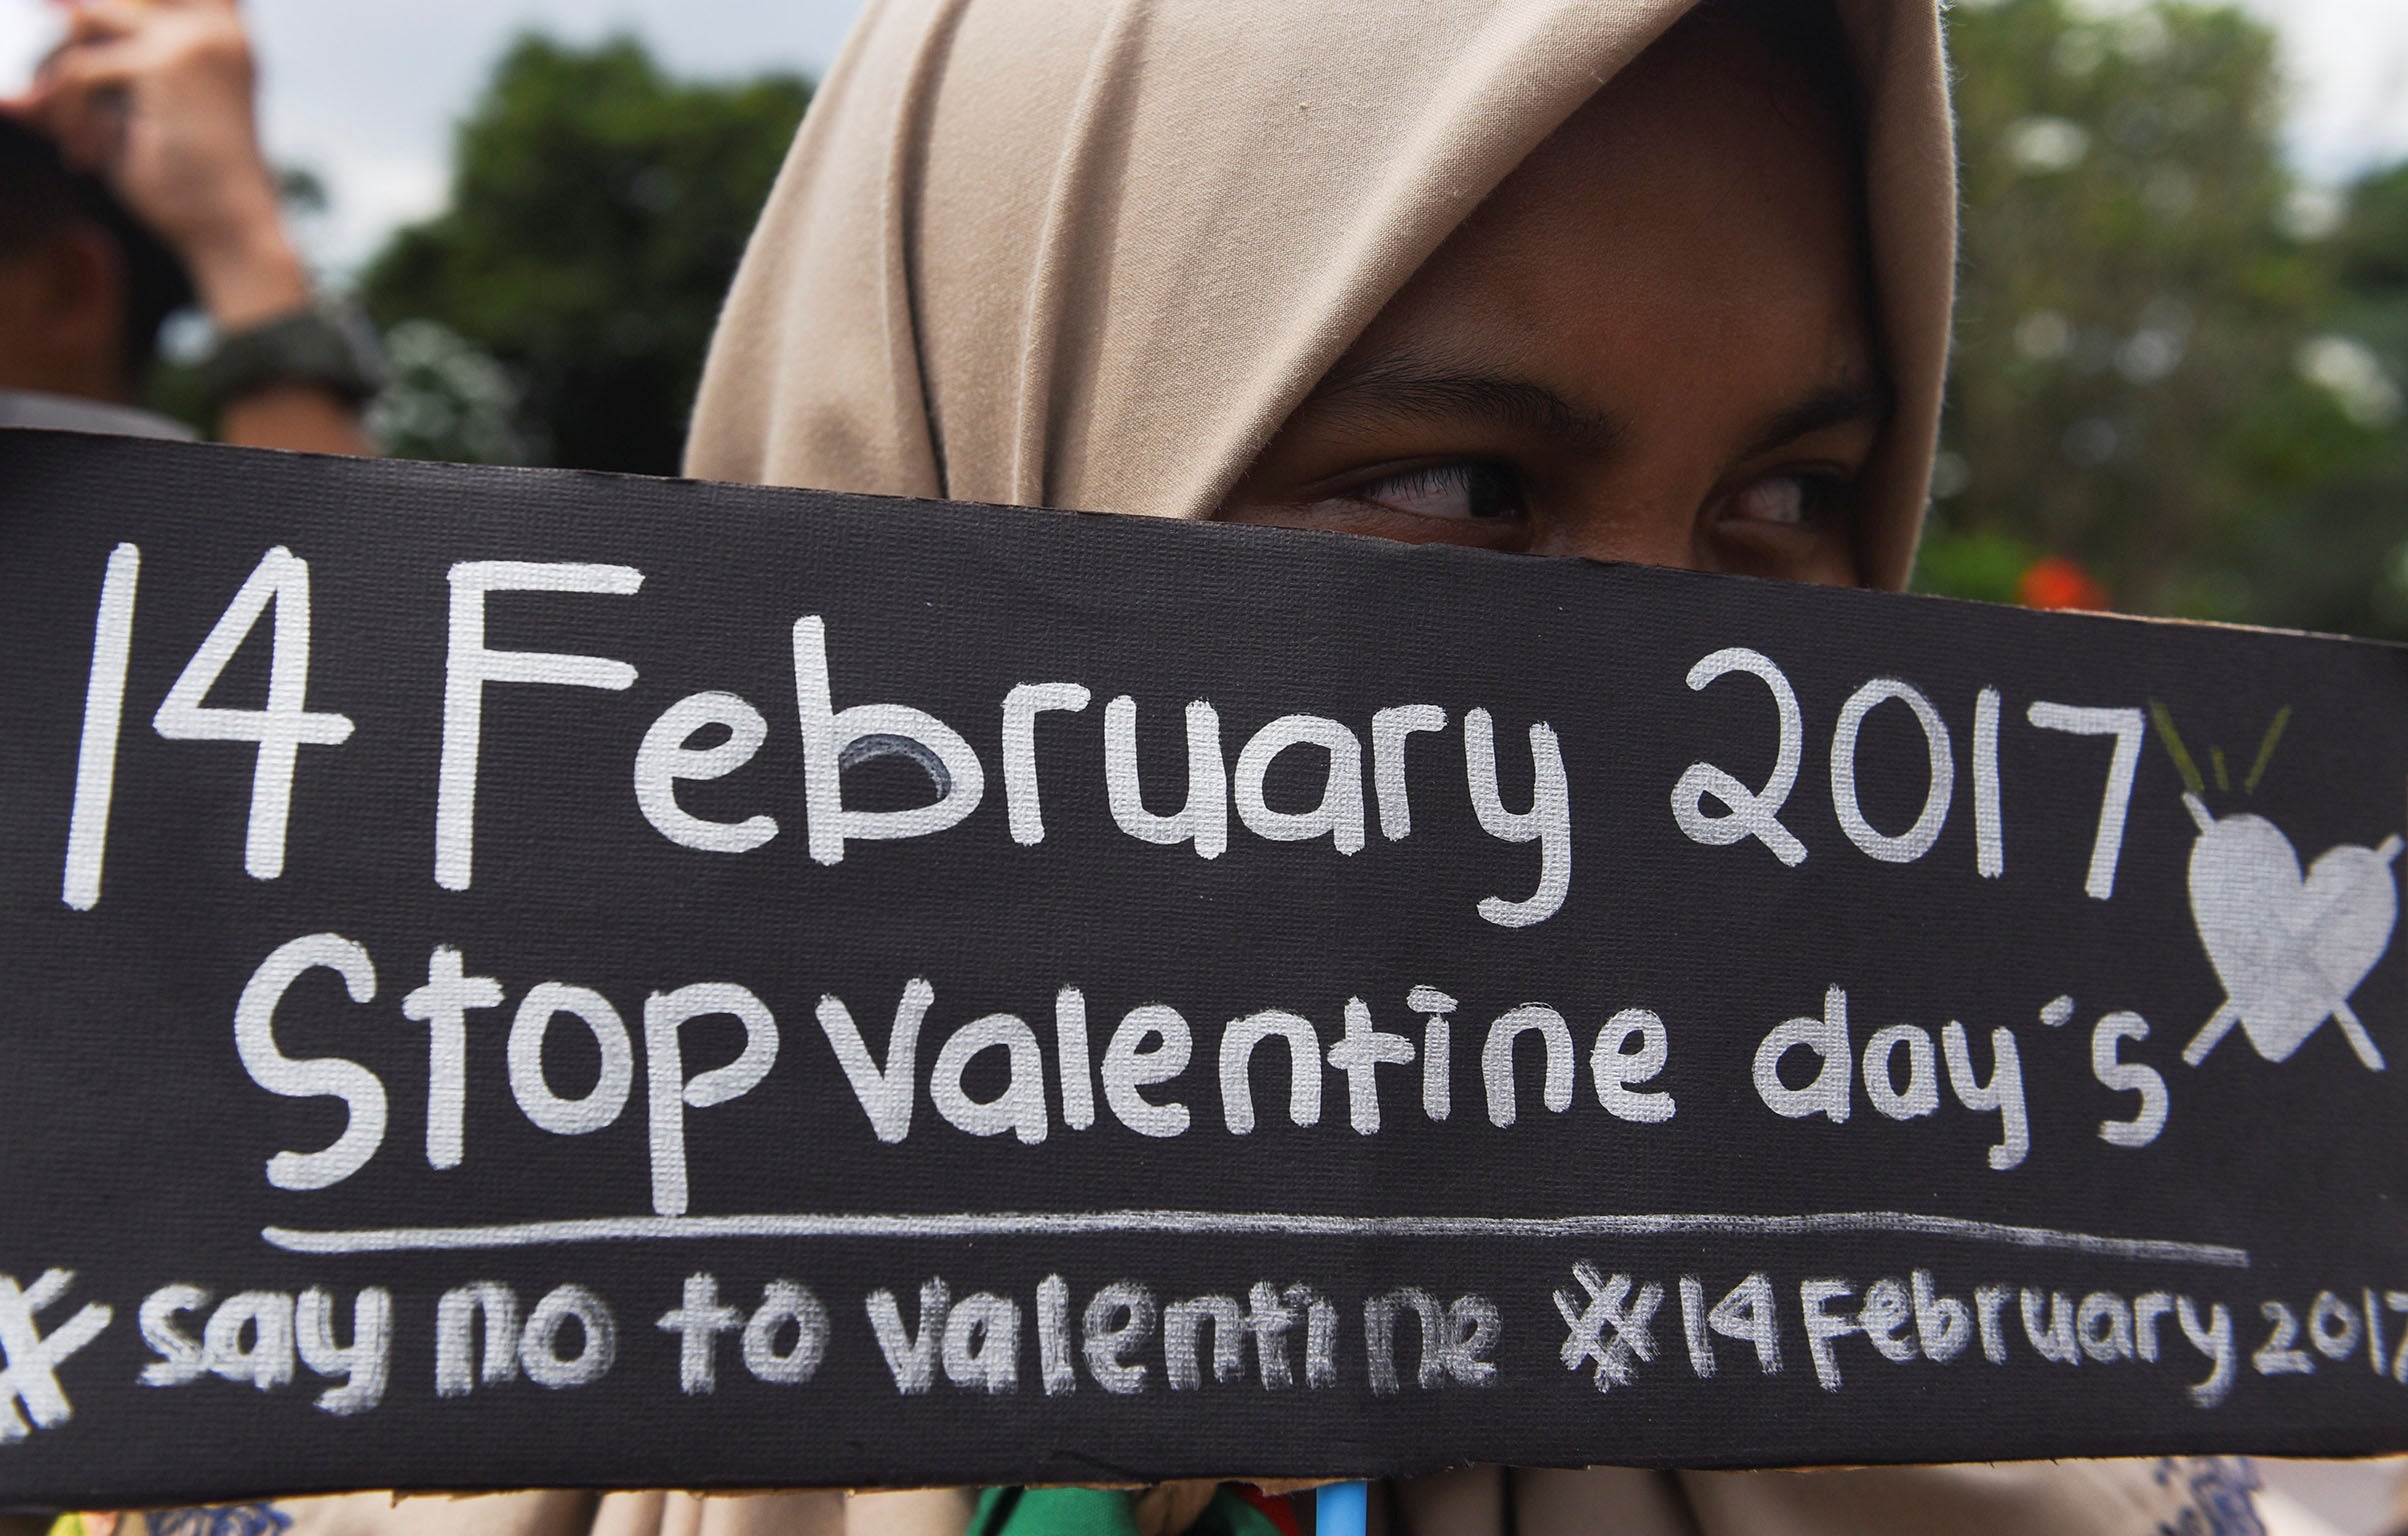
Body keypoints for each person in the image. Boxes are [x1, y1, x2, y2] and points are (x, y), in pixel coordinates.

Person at [64, 0, 2279, 1530]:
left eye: (1785, 503)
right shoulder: (317, 1401)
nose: (1684, 723)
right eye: (1446, 495)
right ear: (966, 439)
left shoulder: (1998, 1448)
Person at [0, 0, 376, 454]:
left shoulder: (170, 521)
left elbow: (313, 524)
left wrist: (238, 245)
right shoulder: (185, 518)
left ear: (65, 289)